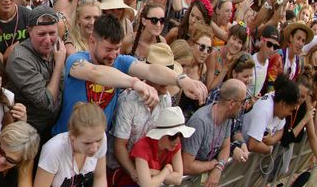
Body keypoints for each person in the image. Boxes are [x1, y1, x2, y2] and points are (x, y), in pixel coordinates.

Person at [53, 14, 208, 136]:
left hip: (96, 148)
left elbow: (151, 70)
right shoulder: (76, 60)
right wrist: (134, 83)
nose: (113, 55)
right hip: (65, 141)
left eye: (117, 49)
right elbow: (95, 73)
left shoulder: (121, 62)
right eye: (108, 49)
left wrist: (181, 79)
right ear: (93, 41)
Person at [34, 102, 138, 187]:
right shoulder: (54, 150)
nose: (94, 148)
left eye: (98, 140)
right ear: (72, 137)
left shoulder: (101, 139)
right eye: (87, 143)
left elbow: (100, 176)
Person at [5, 7, 65, 143]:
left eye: (52, 33)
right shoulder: (20, 58)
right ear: (29, 31)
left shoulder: (57, 48)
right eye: (42, 34)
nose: (48, 40)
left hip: (53, 126)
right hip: (28, 131)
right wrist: (59, 65)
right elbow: (46, 102)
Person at [128, 107, 191, 187]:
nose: (177, 141)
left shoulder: (175, 145)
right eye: (173, 136)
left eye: (181, 135)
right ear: (161, 133)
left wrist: (153, 172)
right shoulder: (142, 146)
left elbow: (178, 179)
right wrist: (167, 170)